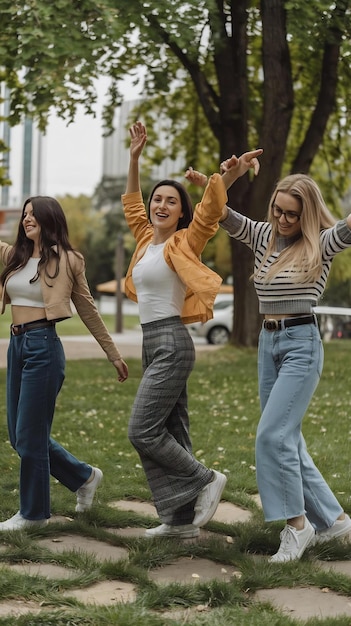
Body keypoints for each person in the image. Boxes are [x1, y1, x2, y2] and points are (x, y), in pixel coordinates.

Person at [187, 153, 351, 561]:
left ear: (307, 215)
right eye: (277, 210)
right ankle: (334, 523)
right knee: (287, 440)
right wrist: (226, 176)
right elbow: (218, 212)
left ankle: (297, 528)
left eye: (292, 214)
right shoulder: (263, 235)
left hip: (301, 344)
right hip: (268, 344)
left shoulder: (322, 242)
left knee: (271, 436)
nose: (282, 219)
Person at [121, 120, 237, 539]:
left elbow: (209, 212)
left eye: (171, 201)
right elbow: (132, 203)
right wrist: (134, 158)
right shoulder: (145, 240)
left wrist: (225, 176)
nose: (161, 205)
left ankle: (205, 478)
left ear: (180, 211)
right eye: (158, 199)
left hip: (172, 341)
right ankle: (180, 521)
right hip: (151, 343)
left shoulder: (184, 241)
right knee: (171, 429)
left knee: (142, 430)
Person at [0, 196, 128, 531]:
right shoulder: (15, 256)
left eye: (33, 215)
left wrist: (113, 353)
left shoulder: (69, 260)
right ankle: (83, 476)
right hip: (17, 346)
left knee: (29, 435)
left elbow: (87, 308)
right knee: (20, 435)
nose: (27, 220)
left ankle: (34, 514)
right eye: (25, 215)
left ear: (48, 218)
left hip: (43, 347)